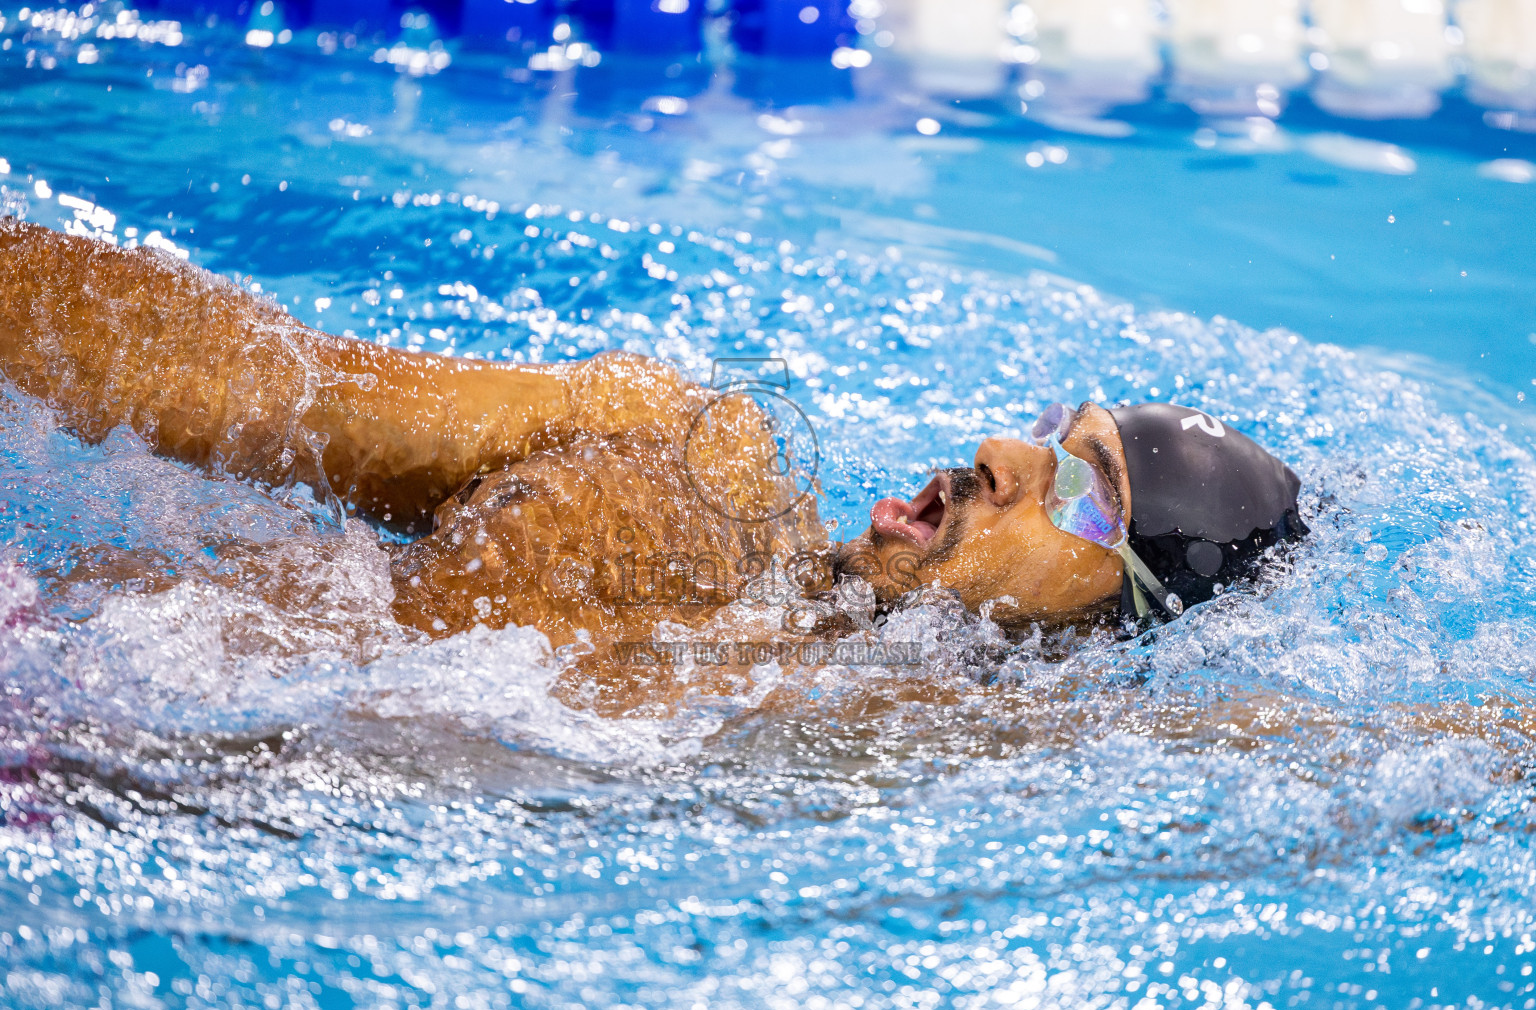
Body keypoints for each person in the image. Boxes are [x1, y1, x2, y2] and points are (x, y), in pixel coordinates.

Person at [0, 218, 1303, 649]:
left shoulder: (1004, 735)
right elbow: (278, 389)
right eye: (1045, 431)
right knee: (695, 440)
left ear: (1116, 601)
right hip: (94, 640)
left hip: (140, 767)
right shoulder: (719, 498)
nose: (1007, 458)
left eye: (1083, 484)